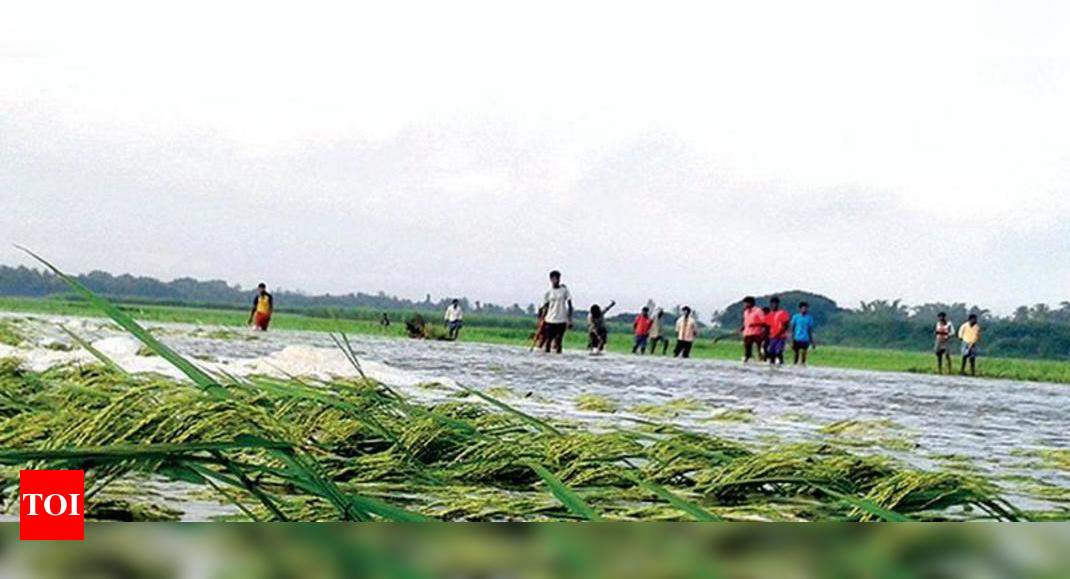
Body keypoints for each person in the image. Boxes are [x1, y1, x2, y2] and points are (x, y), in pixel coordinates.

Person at [540, 270, 573, 354]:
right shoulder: (548, 293)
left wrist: (569, 319)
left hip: (561, 320)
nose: (556, 280)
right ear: (550, 279)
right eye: (554, 279)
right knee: (548, 341)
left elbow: (570, 305)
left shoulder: (565, 290)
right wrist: (541, 320)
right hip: (550, 320)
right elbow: (545, 307)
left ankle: (558, 361)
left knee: (558, 341)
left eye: (557, 278)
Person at [765, 296, 791, 365]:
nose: (773, 305)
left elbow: (786, 325)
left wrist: (780, 332)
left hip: (781, 337)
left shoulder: (782, 313)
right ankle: (772, 366)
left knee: (778, 352)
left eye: (775, 303)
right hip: (772, 337)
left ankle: (782, 364)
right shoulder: (769, 315)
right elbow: (767, 327)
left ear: (778, 304)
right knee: (771, 353)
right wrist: (766, 338)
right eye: (772, 304)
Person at [741, 297, 765, 363]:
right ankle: (747, 360)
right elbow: (746, 322)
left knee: (759, 348)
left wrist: (755, 324)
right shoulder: (745, 312)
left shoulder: (758, 311)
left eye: (746, 303)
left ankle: (761, 360)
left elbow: (763, 322)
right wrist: (743, 327)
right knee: (747, 350)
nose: (744, 305)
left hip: (756, 333)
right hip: (747, 333)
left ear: (751, 303)